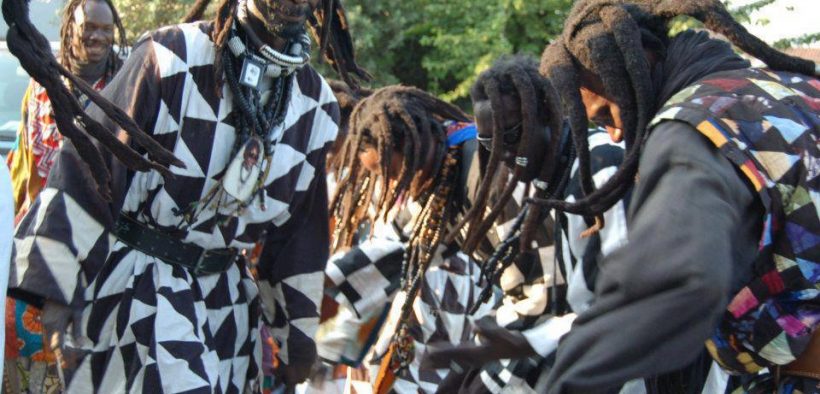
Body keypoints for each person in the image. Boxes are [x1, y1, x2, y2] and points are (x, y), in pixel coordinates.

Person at [7, 0, 368, 392]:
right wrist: (56, 284)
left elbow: (297, 240)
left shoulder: (316, 107)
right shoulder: (169, 55)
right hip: (138, 285)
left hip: (225, 303)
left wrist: (296, 343)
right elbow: (89, 166)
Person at [534, 0, 818, 392]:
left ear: (629, 75)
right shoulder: (798, 90)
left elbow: (677, 280)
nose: (613, 136)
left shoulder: (693, 127)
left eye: (604, 116)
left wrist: (572, 375)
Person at [3, 1, 127, 392]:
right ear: (68, 29)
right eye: (89, 27)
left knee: (87, 367)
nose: (98, 37)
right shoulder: (41, 86)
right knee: (26, 369)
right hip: (37, 249)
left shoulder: (128, 92)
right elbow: (23, 170)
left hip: (100, 256)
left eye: (106, 30)